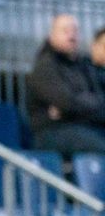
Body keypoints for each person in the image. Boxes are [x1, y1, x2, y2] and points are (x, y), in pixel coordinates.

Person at [28, 15, 105, 155]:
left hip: (87, 128)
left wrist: (73, 108)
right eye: (65, 30)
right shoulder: (45, 66)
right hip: (53, 132)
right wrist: (89, 103)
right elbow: (67, 103)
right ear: (52, 35)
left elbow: (100, 99)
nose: (71, 36)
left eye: (75, 31)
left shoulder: (85, 65)